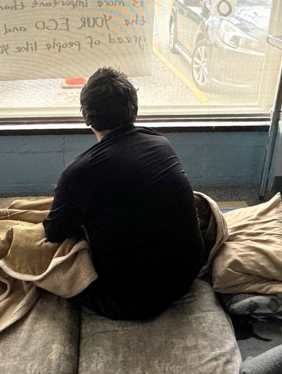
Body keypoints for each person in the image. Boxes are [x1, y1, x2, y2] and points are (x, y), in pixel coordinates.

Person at [43, 67, 206, 320]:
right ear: (135, 111)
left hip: (130, 300)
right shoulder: (160, 143)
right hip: (187, 275)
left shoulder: (77, 174)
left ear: (87, 118)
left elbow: (53, 232)